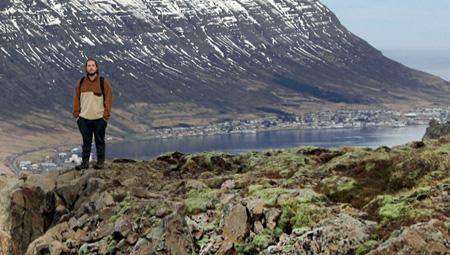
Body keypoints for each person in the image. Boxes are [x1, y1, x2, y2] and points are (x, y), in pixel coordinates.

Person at [73, 57, 113, 170]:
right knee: (86, 142)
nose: (91, 67)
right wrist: (77, 115)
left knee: (99, 141)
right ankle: (85, 163)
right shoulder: (80, 83)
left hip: (99, 118)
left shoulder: (103, 82)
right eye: (89, 65)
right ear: (86, 68)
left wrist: (105, 116)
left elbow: (109, 97)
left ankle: (100, 162)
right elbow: (76, 98)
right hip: (84, 118)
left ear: (97, 68)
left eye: (93, 65)